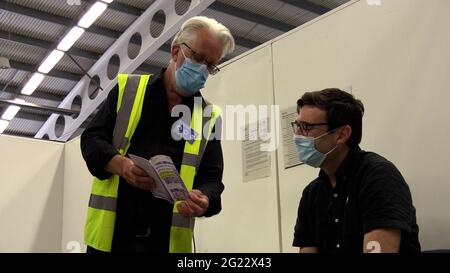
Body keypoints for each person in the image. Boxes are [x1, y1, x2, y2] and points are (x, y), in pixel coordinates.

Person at [81, 16, 235, 253]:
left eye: (210, 65)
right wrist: (122, 166)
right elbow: (92, 139)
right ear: (176, 51)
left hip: (166, 243)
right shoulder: (128, 90)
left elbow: (213, 180)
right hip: (112, 238)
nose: (202, 70)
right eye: (199, 58)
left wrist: (205, 199)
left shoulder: (208, 117)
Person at [292, 88, 420, 253]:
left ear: (342, 134)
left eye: (306, 127)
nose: (297, 135)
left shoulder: (379, 177)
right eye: (296, 126)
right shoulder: (312, 193)